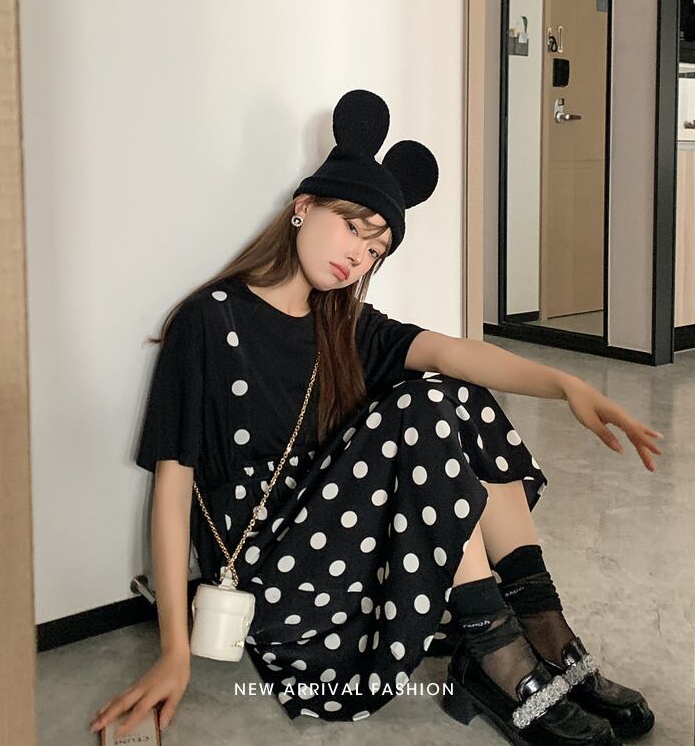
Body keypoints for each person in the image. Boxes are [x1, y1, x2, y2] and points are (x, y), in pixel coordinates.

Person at [89, 89, 661, 744]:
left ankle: (543, 631)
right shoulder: (209, 321)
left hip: (343, 551)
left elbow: (453, 352)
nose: (358, 255)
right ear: (304, 206)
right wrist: (174, 650)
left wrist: (565, 383)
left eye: (376, 248)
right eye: (354, 226)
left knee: (454, 389)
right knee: (421, 405)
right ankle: (496, 656)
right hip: (273, 581)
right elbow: (172, 488)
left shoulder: (345, 326)